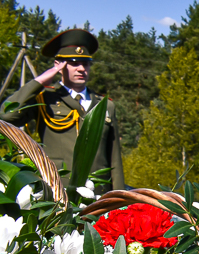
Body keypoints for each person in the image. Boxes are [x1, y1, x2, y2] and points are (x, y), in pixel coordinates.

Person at [0, 28, 125, 190]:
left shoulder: (105, 105)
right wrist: (40, 80)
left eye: (85, 63)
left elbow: (115, 158)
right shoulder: (44, 98)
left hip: (98, 194)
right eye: (74, 63)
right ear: (59, 65)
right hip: (58, 192)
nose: (81, 69)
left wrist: (119, 198)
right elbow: (5, 116)